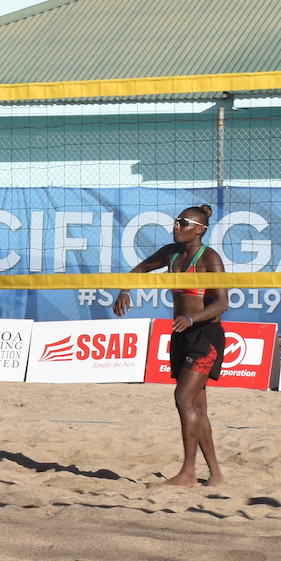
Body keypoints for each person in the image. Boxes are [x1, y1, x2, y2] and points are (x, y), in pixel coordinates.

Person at [113, 204, 227, 488]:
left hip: (205, 335)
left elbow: (222, 303)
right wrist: (125, 289)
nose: (177, 226)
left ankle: (188, 473)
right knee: (197, 407)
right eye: (177, 222)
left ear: (200, 229)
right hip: (182, 334)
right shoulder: (171, 253)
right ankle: (215, 475)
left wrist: (191, 318)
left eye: (184, 223)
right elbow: (141, 268)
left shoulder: (209, 258)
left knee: (183, 399)